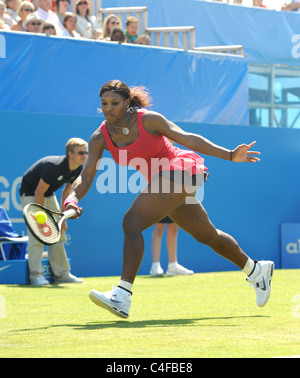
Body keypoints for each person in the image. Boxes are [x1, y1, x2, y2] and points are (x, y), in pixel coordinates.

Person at [64, 80, 274, 319]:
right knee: (207, 235)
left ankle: (122, 296)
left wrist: (229, 155)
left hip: (182, 168)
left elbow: (188, 139)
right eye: (104, 103)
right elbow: (86, 176)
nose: (108, 108)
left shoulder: (148, 119)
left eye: (114, 103)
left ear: (127, 103)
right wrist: (72, 197)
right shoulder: (99, 137)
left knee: (131, 223)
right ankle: (256, 270)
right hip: (162, 181)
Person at [20, 137, 88, 286]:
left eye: (86, 153)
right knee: (37, 234)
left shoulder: (78, 168)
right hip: (32, 193)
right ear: (70, 154)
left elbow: (67, 192)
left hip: (48, 194)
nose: (85, 156)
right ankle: (36, 276)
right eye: (81, 153)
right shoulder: (54, 166)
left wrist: (63, 216)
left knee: (58, 233)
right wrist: (40, 218)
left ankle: (62, 274)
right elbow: (39, 192)